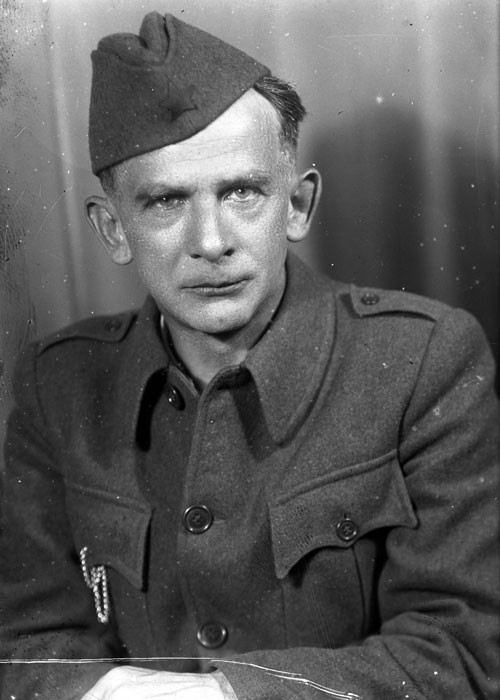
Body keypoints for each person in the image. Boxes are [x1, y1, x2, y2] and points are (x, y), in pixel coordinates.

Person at [0, 10, 498, 700]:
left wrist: (224, 694)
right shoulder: (58, 383)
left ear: (297, 205)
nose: (211, 242)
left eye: (241, 192)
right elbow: (24, 643)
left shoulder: (425, 362)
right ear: (114, 229)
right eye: (166, 201)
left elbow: (464, 651)